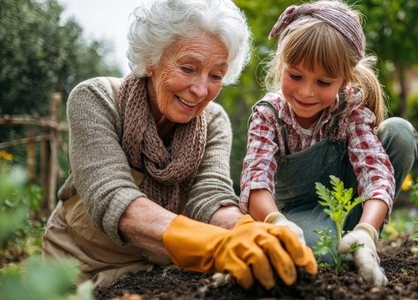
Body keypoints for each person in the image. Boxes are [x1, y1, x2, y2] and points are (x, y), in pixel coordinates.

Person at [41, 0, 317, 290]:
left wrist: (249, 231)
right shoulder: (95, 99)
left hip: (157, 273)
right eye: (188, 68)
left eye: (216, 75)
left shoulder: (213, 121)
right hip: (75, 268)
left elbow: (210, 196)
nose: (200, 90)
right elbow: (113, 197)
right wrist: (219, 246)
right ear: (151, 59)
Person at [239, 0, 418, 287]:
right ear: (281, 65)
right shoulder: (269, 116)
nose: (306, 91)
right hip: (297, 218)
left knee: (400, 133)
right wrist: (277, 224)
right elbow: (255, 180)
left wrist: (367, 231)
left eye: (323, 82)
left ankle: (358, 240)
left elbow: (375, 173)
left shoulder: (349, 110)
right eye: (295, 75)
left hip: (351, 207)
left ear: (343, 80)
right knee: (316, 250)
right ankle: (337, 248)